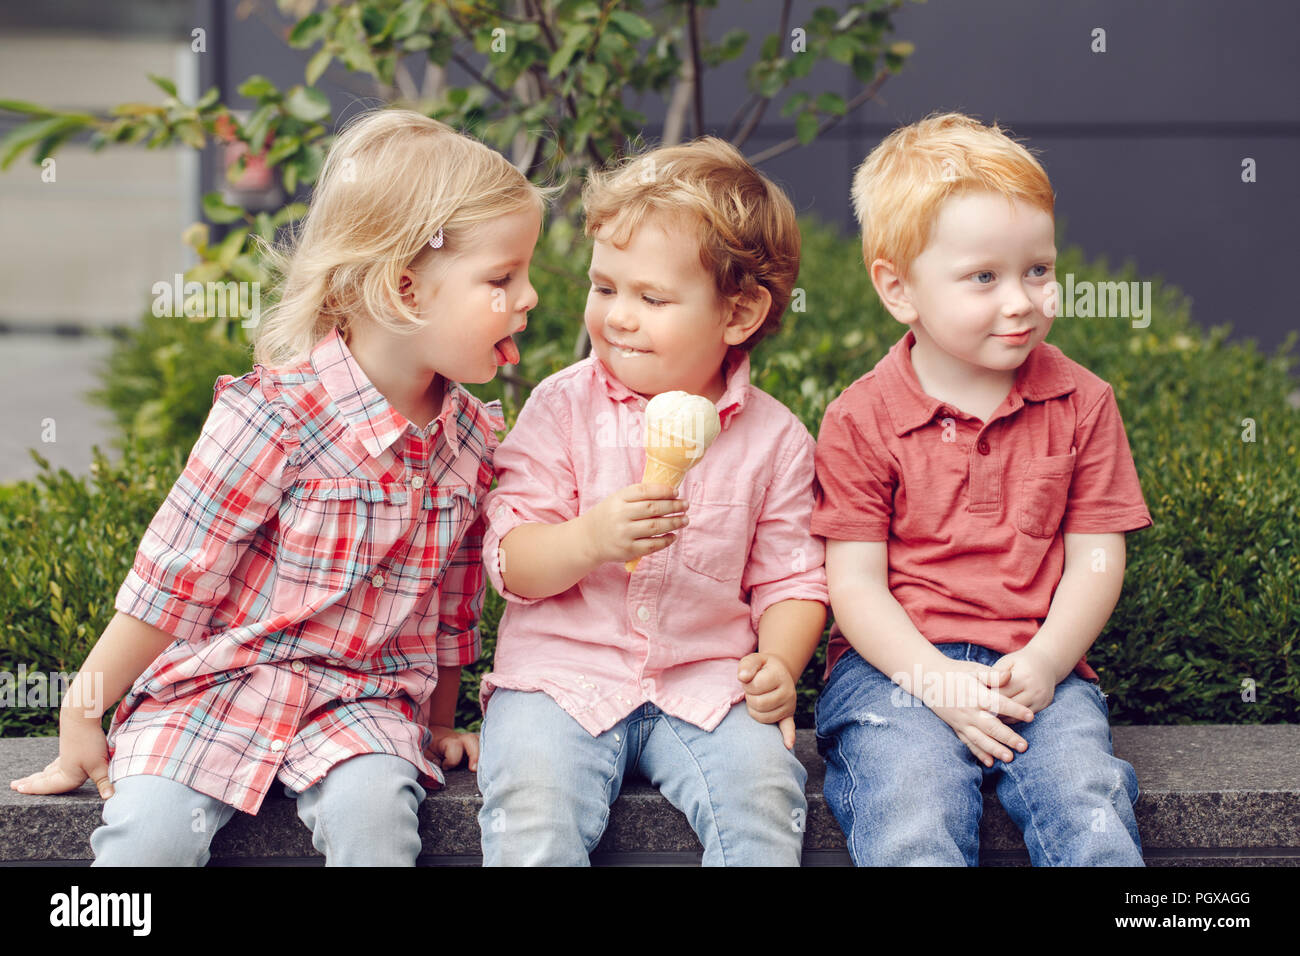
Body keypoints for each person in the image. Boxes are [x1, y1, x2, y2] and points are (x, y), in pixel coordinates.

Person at [10, 109, 548, 866]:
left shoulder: (469, 441)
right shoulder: (275, 416)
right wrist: (84, 704)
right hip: (218, 687)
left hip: (363, 705)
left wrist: (435, 722)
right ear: (404, 288)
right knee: (150, 834)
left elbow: (449, 603)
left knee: (378, 826)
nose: (526, 298)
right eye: (502, 278)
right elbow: (174, 576)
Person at [476, 137, 828, 866]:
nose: (618, 317)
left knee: (767, 797)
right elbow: (510, 562)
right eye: (606, 289)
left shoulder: (777, 440)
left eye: (651, 297)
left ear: (740, 313)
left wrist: (780, 664)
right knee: (531, 809)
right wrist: (591, 538)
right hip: (558, 682)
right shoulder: (560, 408)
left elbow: (792, 580)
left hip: (708, 685)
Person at [813, 112, 1149, 866]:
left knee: (1085, 797)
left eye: (1037, 270)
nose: (1022, 300)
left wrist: (1048, 661)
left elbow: (1098, 556)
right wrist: (934, 680)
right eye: (984, 278)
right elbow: (855, 584)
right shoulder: (862, 417)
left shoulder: (1082, 402)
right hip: (893, 672)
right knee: (913, 800)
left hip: (1035, 665)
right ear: (899, 288)